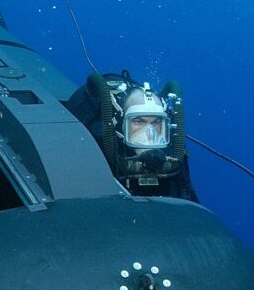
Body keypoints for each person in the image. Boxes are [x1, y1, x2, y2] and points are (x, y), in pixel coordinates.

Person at [65, 70, 199, 202]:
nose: (149, 134)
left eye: (156, 122)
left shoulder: (173, 154)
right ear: (121, 123)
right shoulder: (101, 144)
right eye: (139, 122)